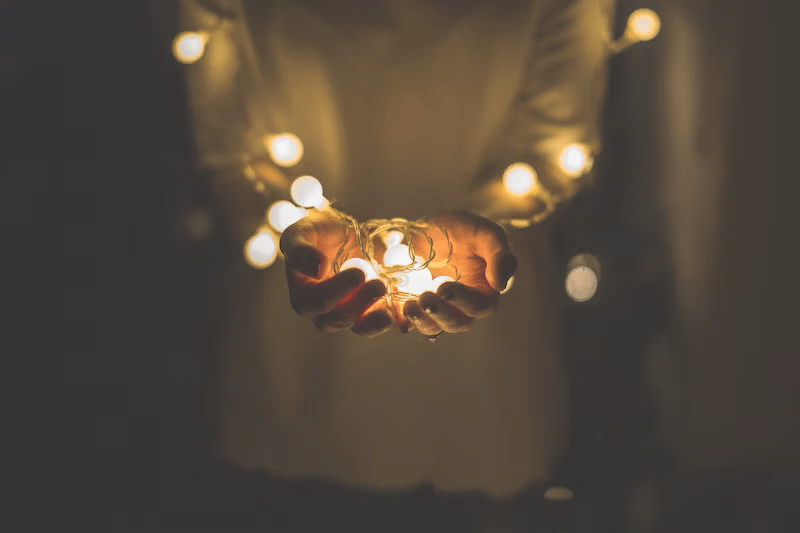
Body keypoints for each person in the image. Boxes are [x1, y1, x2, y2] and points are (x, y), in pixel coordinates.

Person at [178, 0, 613, 503]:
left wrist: (489, 224)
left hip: (480, 382)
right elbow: (229, 151)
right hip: (293, 368)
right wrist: (280, 220)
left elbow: (553, 147)